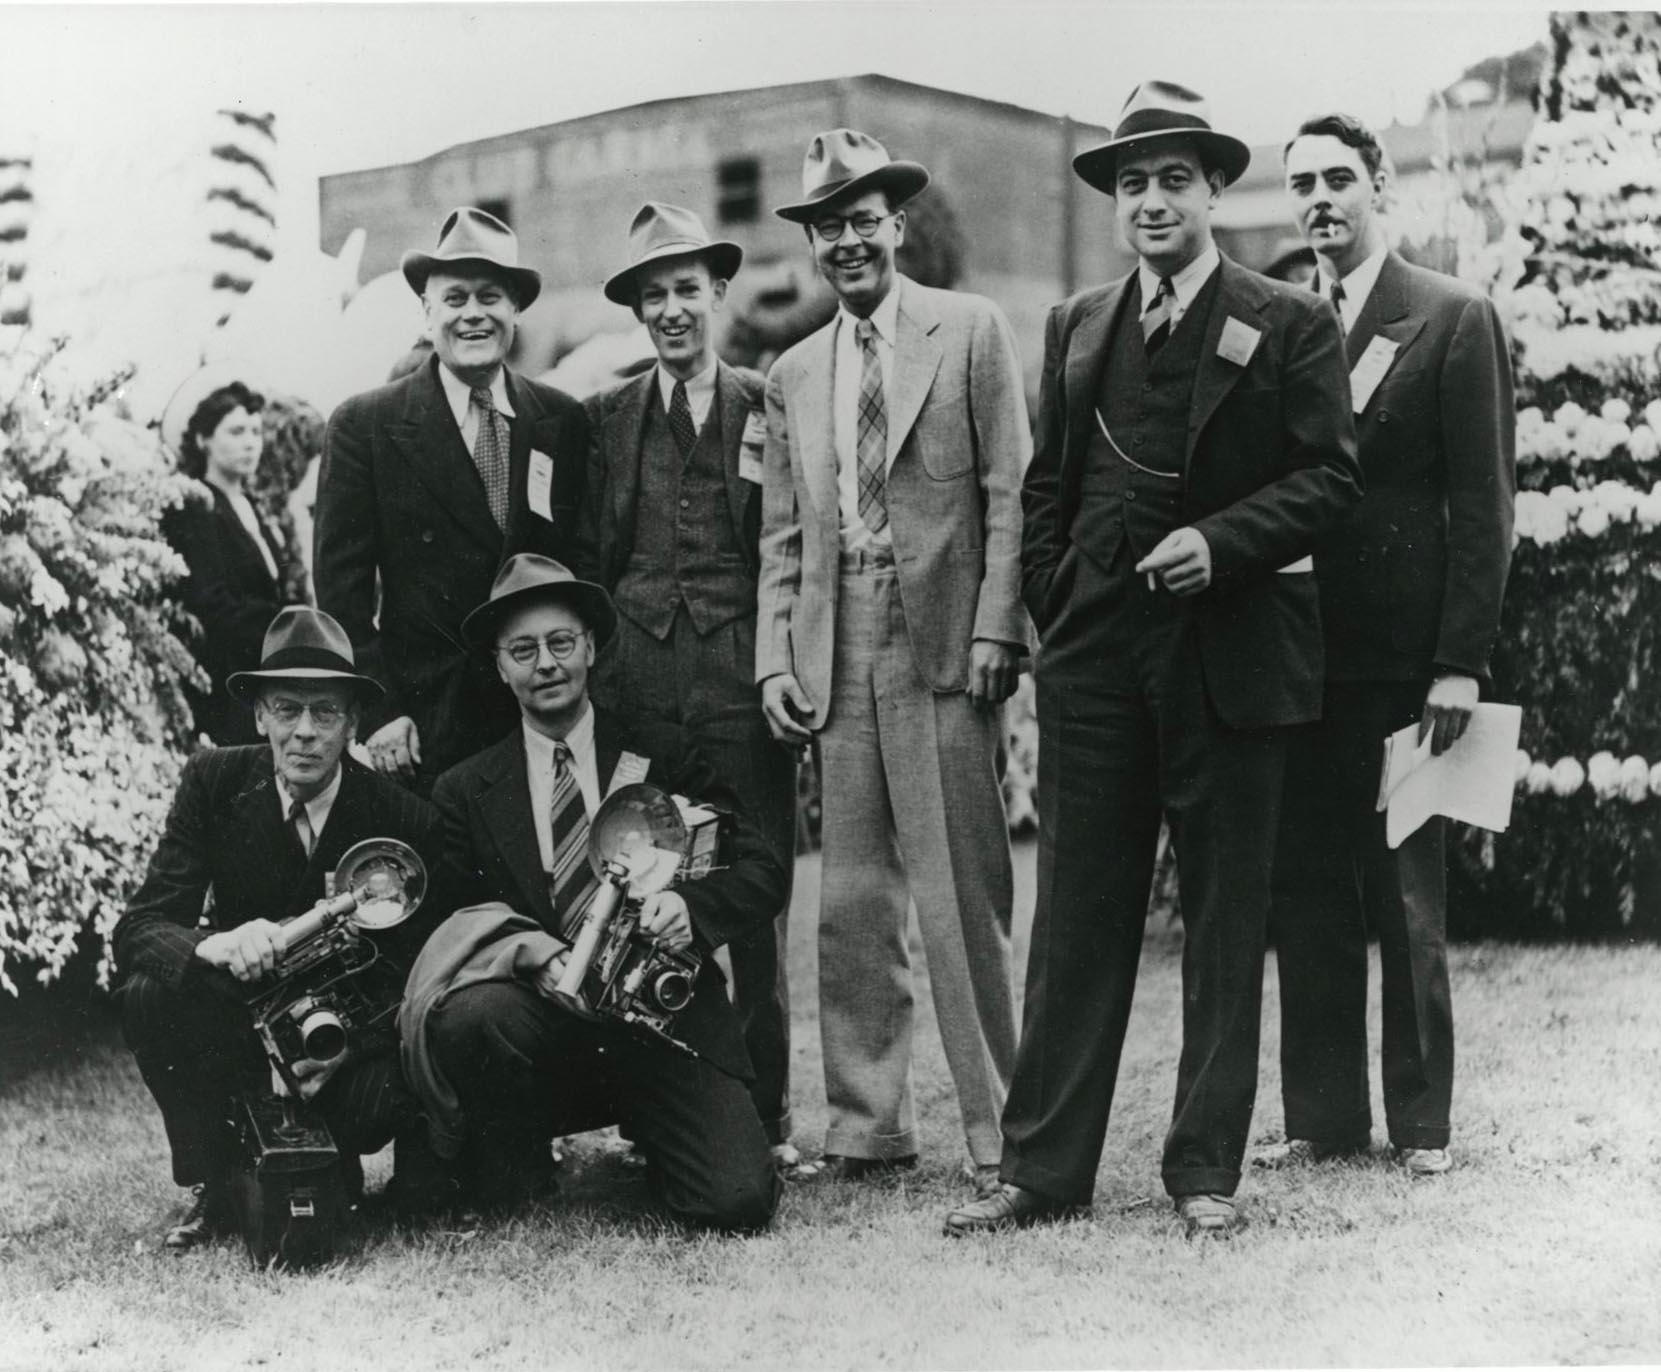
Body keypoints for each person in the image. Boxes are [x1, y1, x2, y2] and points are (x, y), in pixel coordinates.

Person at [944, 80, 1363, 1240]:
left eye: (1173, 178)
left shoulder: (1286, 320)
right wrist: (1058, 596)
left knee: (1225, 919)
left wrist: (1218, 546)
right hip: (1093, 663)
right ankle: (1041, 1171)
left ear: (1212, 189)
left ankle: (1201, 1173)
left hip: (1228, 657)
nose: (1150, 201)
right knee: (1075, 911)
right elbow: (1044, 487)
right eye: (1131, 182)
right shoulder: (1077, 322)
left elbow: (1329, 479)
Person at [757, 130, 1029, 1192]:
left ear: (897, 226)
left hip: (948, 641)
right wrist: (778, 657)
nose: (846, 240)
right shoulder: (790, 371)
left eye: (863, 219)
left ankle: (1001, 1127)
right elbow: (784, 535)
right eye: (828, 225)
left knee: (961, 890)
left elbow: (1011, 490)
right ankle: (868, 1126)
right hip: (839, 643)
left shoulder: (968, 331)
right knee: (852, 899)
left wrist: (999, 628)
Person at [1258, 113, 1516, 1179]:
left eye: (1336, 179)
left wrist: (1457, 659)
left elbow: (1482, 504)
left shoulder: (1450, 319)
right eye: (1301, 183)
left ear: (1378, 190)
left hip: (1406, 666)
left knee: (1403, 892)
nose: (1317, 199)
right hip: (1292, 658)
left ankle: (1419, 1122)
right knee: (1304, 888)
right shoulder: (1277, 323)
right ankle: (1321, 1117)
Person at [410, 554, 784, 1231]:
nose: (545, 663)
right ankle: (519, 1155)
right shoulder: (465, 789)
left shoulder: (659, 749)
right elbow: (449, 920)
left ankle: (658, 1127)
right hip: (544, 1019)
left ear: (589, 647)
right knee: (471, 1017)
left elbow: (761, 866)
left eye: (560, 642)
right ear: (499, 666)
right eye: (523, 650)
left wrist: (690, 912)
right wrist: (528, 952)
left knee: (735, 1201)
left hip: (662, 1023)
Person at [575, 202, 799, 1163]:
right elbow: (597, 558)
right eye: (652, 295)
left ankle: (769, 1112)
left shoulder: (766, 403)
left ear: (717, 291)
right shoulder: (608, 419)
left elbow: (788, 549)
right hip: (639, 691)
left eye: (685, 291)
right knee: (639, 894)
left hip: (742, 689)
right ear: (637, 310)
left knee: (751, 899)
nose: (672, 311)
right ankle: (656, 1109)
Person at [113, 607, 442, 1250]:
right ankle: (216, 1177)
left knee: (416, 1054)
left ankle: (337, 1163)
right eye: (287, 709)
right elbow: (141, 925)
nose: (305, 733)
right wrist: (218, 944)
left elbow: (420, 970)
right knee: (147, 994)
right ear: (259, 715)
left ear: (353, 721)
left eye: (325, 712)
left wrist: (352, 1044)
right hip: (242, 1023)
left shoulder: (403, 816)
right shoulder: (213, 781)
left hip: (346, 1044)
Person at [313, 207, 589, 792]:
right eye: (455, 297)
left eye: (490, 296)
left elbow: (581, 568)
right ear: (427, 310)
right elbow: (342, 591)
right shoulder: (366, 425)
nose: (473, 314)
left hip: (541, 716)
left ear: (515, 309)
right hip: (425, 730)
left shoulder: (559, 420)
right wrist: (380, 711)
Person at [160, 367, 289, 745]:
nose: (251, 443)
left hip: (262, 676)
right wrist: (286, 629)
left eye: (255, 432)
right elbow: (211, 603)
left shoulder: (249, 505)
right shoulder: (195, 505)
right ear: (203, 439)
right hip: (225, 684)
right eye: (236, 432)